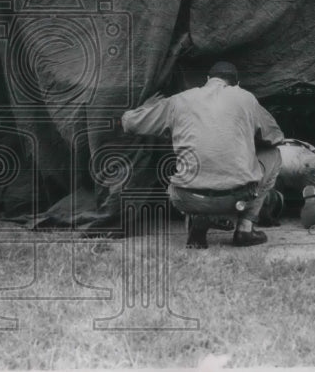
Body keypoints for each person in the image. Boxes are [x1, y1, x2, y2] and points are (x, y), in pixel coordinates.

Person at [120, 61, 283, 248]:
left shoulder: (179, 100)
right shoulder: (246, 98)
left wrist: (147, 106)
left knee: (187, 161)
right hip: (237, 197)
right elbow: (276, 137)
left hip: (186, 199)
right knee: (274, 154)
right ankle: (245, 229)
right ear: (237, 84)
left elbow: (129, 123)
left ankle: (199, 220)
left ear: (207, 80)